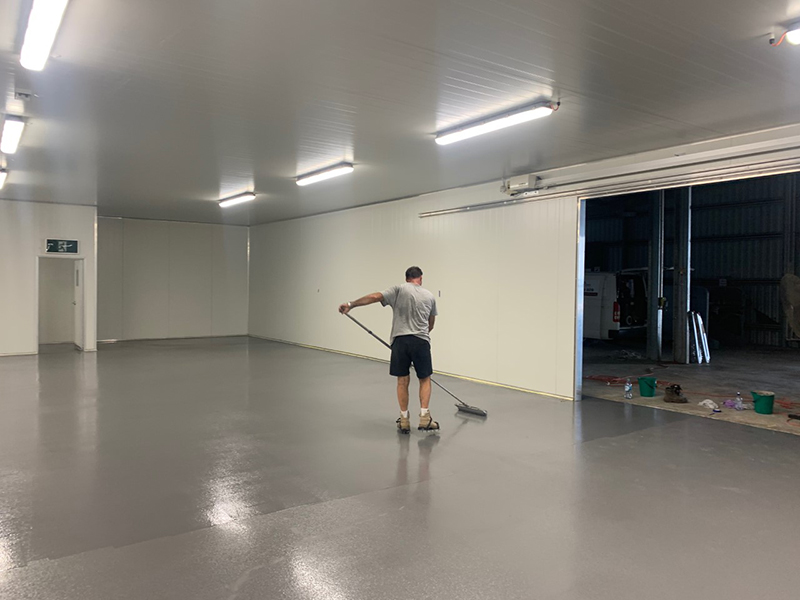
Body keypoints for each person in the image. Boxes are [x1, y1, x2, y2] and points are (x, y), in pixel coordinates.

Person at [339, 266, 439, 434]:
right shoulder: (429, 295)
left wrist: (351, 304)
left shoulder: (398, 289)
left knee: (402, 380)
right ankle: (425, 418)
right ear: (420, 278)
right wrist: (419, 335)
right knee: (425, 379)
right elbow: (431, 324)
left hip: (400, 341)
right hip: (421, 341)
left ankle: (404, 419)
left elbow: (375, 296)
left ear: (406, 278)